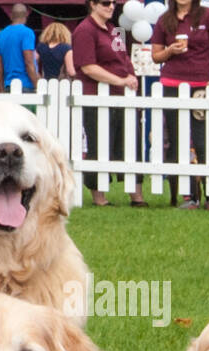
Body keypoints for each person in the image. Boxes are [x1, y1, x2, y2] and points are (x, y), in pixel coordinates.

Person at [151, 0, 209, 210]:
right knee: (177, 140)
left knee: (204, 140)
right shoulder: (164, 20)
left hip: (201, 84)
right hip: (172, 84)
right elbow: (155, 56)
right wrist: (170, 51)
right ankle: (188, 196)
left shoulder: (207, 15)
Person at [72, 0, 147, 206]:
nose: (111, 6)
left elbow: (124, 59)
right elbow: (88, 67)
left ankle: (136, 196)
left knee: (130, 144)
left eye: (114, 3)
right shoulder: (84, 30)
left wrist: (130, 76)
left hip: (122, 95)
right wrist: (120, 80)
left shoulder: (114, 30)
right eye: (106, 3)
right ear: (93, 5)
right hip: (97, 97)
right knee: (99, 145)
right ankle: (100, 198)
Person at [0, 4, 40, 91]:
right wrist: (37, 85)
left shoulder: (0, 36)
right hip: (26, 85)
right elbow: (29, 62)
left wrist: (1, 88)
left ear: (11, 16)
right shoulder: (27, 33)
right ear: (27, 15)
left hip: (8, 85)